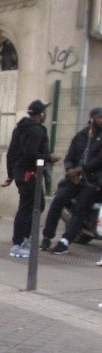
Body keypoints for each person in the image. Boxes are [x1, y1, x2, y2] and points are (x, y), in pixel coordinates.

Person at [0, 99, 59, 258]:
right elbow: (31, 153)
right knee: (30, 208)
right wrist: (49, 157)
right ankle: (20, 242)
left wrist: (11, 175)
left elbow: (11, 153)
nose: (46, 114)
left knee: (35, 205)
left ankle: (24, 239)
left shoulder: (19, 129)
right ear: (41, 114)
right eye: (44, 111)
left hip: (22, 174)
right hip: (30, 175)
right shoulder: (37, 131)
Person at [41, 107, 102, 251]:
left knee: (81, 208)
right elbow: (69, 157)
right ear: (92, 119)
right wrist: (70, 171)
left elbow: (99, 161)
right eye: (99, 117)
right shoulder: (81, 135)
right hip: (74, 178)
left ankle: (65, 242)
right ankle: (47, 237)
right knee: (58, 201)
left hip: (93, 180)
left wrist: (80, 170)